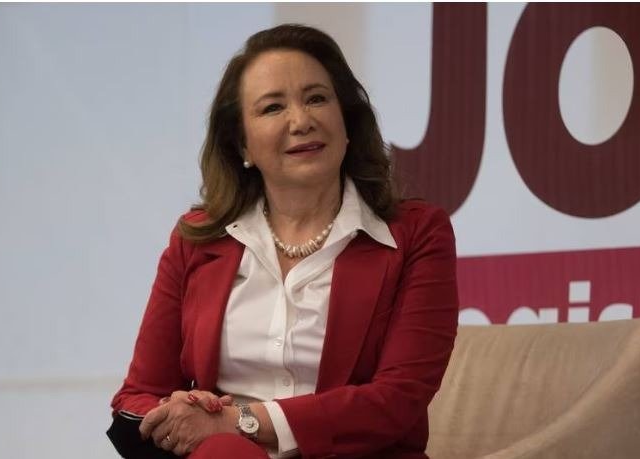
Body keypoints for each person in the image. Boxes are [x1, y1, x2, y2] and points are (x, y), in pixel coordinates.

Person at [107, 24, 458, 459]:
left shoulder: (416, 234)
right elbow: (138, 395)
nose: (301, 121)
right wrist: (180, 414)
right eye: (273, 107)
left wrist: (241, 422)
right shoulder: (196, 239)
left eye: (317, 98)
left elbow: (399, 398)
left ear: (347, 121)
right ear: (242, 144)